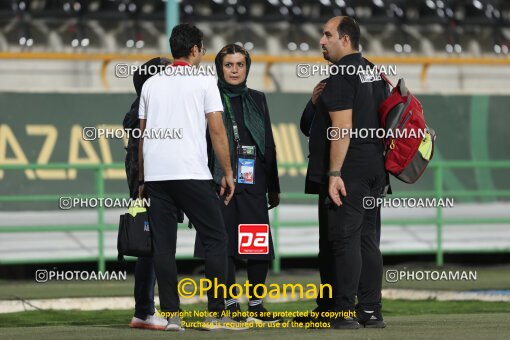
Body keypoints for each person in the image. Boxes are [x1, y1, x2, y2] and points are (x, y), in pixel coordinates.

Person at [138, 23, 247, 331]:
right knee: (216, 239)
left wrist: (143, 178)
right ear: (196, 49)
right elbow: (217, 129)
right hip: (190, 172)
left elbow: (142, 136)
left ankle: (172, 316)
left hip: (158, 174)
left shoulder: (151, 84)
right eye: (203, 48)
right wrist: (227, 172)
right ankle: (216, 312)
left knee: (163, 247)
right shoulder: (204, 80)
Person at [194, 43, 281, 324]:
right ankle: (230, 305)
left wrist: (274, 186)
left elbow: (268, 143)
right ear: (219, 67)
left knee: (257, 247)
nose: (234, 70)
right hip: (218, 184)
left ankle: (256, 306)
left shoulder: (259, 99)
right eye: (229, 65)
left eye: (240, 65)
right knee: (225, 247)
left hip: (253, 182)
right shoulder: (208, 96)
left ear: (247, 68)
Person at [320, 16, 389, 329]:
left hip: (352, 169)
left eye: (327, 35)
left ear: (344, 40)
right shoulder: (373, 70)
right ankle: (371, 311)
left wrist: (334, 173)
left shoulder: (340, 75)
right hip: (377, 166)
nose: (322, 41)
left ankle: (344, 312)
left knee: (345, 240)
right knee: (367, 241)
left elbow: (341, 129)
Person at [123, 57, 174, 331]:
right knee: (153, 247)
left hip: (148, 183)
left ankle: (146, 310)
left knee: (152, 247)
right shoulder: (147, 110)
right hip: (152, 184)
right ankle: (146, 311)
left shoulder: (140, 109)